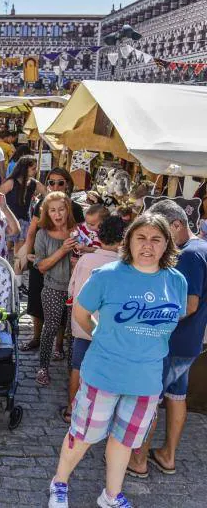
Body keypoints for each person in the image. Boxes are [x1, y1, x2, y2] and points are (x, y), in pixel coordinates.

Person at [48, 213, 187, 508]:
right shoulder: (108, 275)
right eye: (141, 237)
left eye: (156, 239)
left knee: (124, 441)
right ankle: (59, 483)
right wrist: (101, 336)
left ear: (167, 245)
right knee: (83, 435)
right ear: (129, 241)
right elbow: (80, 313)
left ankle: (111, 495)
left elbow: (174, 320)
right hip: (104, 374)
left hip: (146, 381)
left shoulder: (176, 281)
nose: (147, 245)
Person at [129, 200, 207, 478]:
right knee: (176, 397)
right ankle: (167, 456)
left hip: (171, 343)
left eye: (162, 232)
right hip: (189, 342)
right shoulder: (201, 248)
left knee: (150, 399)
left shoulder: (188, 254)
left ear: (176, 225)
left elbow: (189, 305)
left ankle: (138, 461)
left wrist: (151, 324)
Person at [60, 216, 125, 424]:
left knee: (78, 367)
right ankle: (101, 414)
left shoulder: (85, 261)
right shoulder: (123, 267)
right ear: (122, 239)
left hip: (82, 325)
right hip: (109, 330)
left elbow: (72, 290)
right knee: (107, 371)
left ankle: (72, 409)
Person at [22, 168, 86, 353]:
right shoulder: (42, 203)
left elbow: (82, 232)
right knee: (35, 302)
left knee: (61, 307)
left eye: (60, 182)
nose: (56, 186)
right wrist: (26, 253)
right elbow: (32, 230)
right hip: (42, 255)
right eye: (51, 182)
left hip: (66, 266)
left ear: (68, 184)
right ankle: (36, 338)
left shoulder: (75, 208)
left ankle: (58, 346)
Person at [34, 192, 77, 387]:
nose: (58, 214)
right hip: (52, 287)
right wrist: (62, 250)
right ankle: (43, 367)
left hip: (77, 290)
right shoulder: (42, 234)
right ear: (47, 213)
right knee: (50, 328)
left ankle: (72, 370)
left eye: (61, 209)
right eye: (53, 210)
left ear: (68, 210)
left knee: (74, 332)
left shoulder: (79, 231)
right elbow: (41, 266)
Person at [0, 156, 45, 255]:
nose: (36, 171)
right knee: (2, 250)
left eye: (36, 168)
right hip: (9, 220)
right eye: (33, 168)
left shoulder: (34, 183)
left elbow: (48, 194)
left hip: (24, 220)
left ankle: (16, 270)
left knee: (19, 254)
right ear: (24, 169)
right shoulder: (11, 182)